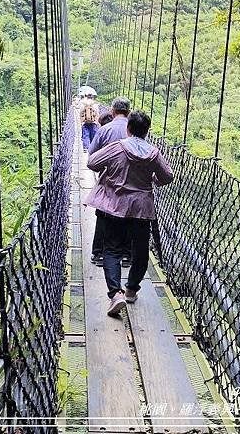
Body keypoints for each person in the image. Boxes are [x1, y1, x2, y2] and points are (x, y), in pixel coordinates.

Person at [86, 110, 173, 317]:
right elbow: (167, 176)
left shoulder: (117, 147)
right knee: (140, 252)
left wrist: (110, 172)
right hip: (141, 209)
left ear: (128, 128)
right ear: (147, 131)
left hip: (113, 205)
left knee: (111, 250)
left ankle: (116, 294)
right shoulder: (153, 152)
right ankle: (131, 289)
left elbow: (91, 162)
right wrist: (154, 179)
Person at [88, 97, 131, 267]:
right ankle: (127, 255)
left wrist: (102, 166)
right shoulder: (136, 129)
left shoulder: (105, 130)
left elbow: (91, 156)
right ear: (128, 112)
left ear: (112, 112)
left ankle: (98, 253)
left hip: (109, 179)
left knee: (104, 214)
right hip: (131, 180)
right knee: (128, 216)